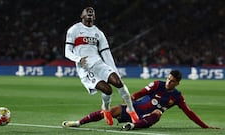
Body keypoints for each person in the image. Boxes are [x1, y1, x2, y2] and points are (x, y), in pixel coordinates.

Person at [62, 70, 219, 130]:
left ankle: (132, 126)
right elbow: (140, 93)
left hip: (148, 117)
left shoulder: (177, 96)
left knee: (158, 112)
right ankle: (78, 122)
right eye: (168, 79)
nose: (169, 82)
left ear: (178, 83)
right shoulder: (158, 84)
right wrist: (129, 101)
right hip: (135, 109)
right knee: (111, 111)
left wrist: (205, 126)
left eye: (172, 81)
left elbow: (189, 113)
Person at [64, 7, 138, 125]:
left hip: (98, 63)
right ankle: (106, 109)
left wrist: (115, 72)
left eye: (92, 12)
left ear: (94, 17)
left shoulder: (98, 33)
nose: (90, 12)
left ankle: (130, 109)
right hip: (85, 68)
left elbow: (106, 53)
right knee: (107, 90)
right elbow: (67, 52)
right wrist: (78, 59)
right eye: (87, 11)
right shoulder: (74, 30)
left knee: (118, 82)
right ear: (82, 15)